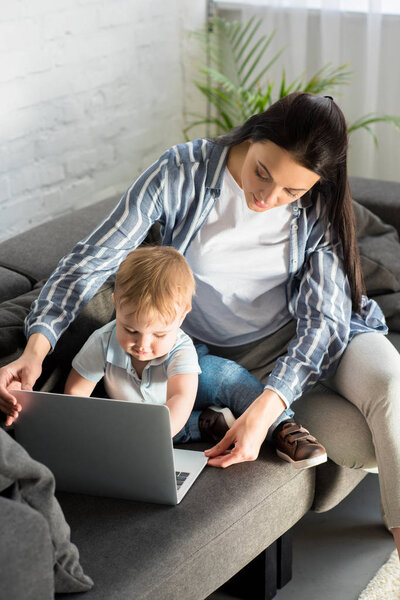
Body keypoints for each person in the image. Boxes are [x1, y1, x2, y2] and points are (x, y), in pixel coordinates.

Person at [1, 92, 399, 554]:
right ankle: (249, 405)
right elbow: (92, 261)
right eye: (262, 173)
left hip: (308, 340)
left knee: (391, 391)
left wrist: (267, 410)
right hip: (223, 358)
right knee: (363, 447)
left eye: (292, 192)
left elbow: (324, 323)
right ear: (253, 135)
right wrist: (36, 348)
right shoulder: (182, 171)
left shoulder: (320, 207)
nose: (267, 199)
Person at [64, 245, 269, 443]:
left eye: (159, 334)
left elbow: (180, 398)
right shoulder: (103, 341)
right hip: (138, 418)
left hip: (179, 404)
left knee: (222, 375)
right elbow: (76, 394)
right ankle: (208, 422)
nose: (142, 345)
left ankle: (278, 424)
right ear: (116, 303)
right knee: (153, 429)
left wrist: (148, 440)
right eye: (131, 330)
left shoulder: (181, 349)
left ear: (182, 316)